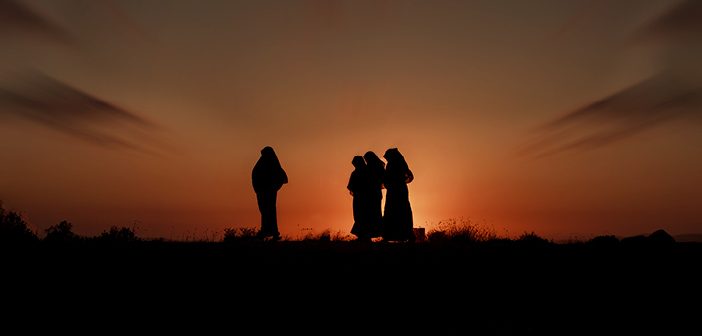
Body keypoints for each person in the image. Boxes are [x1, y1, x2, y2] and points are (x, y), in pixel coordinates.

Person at [252, 146, 288, 240]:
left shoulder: (272, 165)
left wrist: (274, 187)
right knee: (266, 211)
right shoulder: (263, 165)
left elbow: (282, 177)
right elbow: (255, 176)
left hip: (269, 193)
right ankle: (268, 232)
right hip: (264, 193)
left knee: (269, 211)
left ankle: (270, 232)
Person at [382, 148, 414, 242]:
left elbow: (389, 177)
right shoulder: (400, 164)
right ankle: (401, 235)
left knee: (397, 211)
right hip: (398, 190)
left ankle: (402, 235)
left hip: (395, 191)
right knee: (399, 212)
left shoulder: (393, 164)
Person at [347, 156, 373, 241]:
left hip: (362, 198)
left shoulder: (358, 173)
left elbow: (351, 186)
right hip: (363, 198)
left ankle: (364, 236)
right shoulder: (367, 172)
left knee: (362, 216)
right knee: (360, 216)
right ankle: (363, 236)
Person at [363, 151, 385, 239]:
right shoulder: (377, 166)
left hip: (373, 193)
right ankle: (369, 235)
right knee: (371, 214)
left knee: (373, 214)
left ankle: (377, 234)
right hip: (373, 193)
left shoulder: (374, 167)